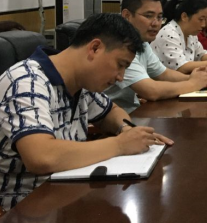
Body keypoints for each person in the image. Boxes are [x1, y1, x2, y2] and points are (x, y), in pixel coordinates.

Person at [0, 13, 174, 211]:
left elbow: (112, 111)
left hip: (67, 198)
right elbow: (41, 156)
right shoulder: (26, 82)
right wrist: (119, 145)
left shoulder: (81, 84)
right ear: (95, 48)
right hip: (23, 210)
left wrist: (126, 130)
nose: (120, 77)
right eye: (120, 65)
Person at [105, 0, 207, 113]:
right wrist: (193, 84)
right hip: (110, 119)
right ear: (127, 16)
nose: (156, 23)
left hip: (131, 113)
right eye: (148, 16)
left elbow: (163, 74)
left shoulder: (142, 42)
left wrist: (199, 77)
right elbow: (151, 91)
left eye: (159, 17)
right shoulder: (119, 45)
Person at [152, 0, 207, 72]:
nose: (203, 25)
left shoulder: (191, 34)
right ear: (184, 16)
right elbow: (181, 67)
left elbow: (201, 55)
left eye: (205, 20)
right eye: (201, 19)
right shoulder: (169, 34)